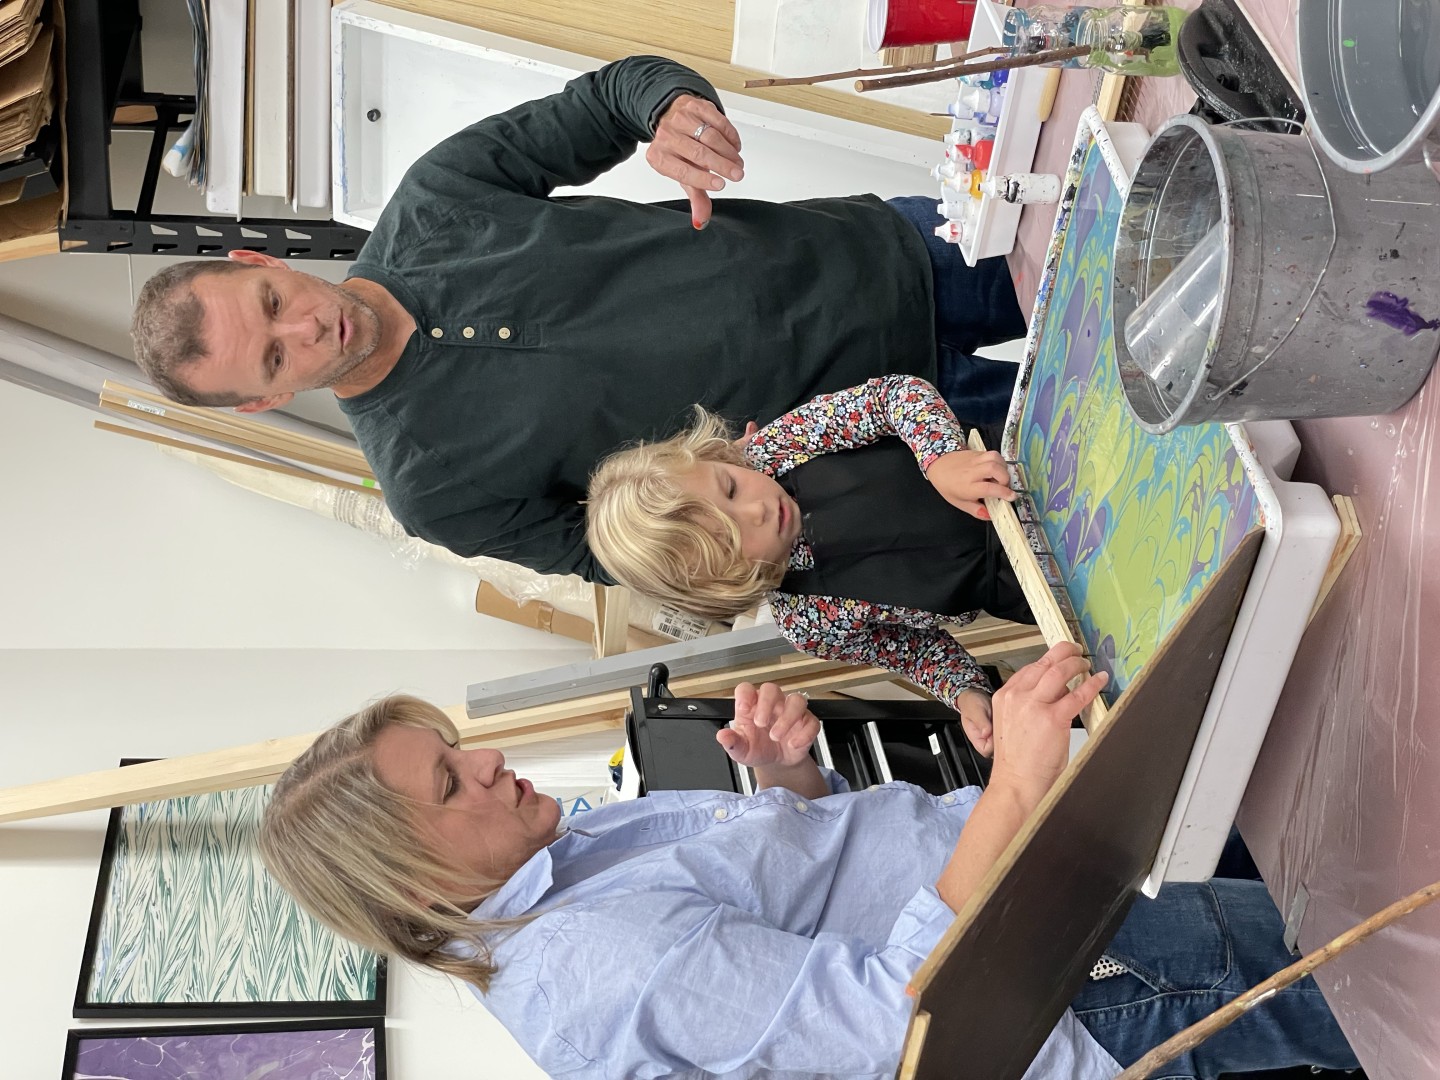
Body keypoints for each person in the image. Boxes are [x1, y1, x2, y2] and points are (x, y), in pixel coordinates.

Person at [258, 643, 1358, 1080]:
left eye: (455, 748)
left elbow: (803, 912)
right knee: (1388, 969)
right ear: (415, 882)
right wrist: (1018, 787)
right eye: (450, 783)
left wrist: (789, 784)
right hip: (1069, 985)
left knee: (1346, 888)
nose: (488, 760)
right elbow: (909, 1014)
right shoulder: (595, 970)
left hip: (1053, 891)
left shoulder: (559, 853)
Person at [127, 55, 1027, 582]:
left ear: (262, 263)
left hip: (893, 257)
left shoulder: (435, 199)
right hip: (900, 446)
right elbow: (631, 559)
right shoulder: (432, 492)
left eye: (274, 304)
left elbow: (605, 100)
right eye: (274, 361)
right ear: (262, 402)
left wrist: (668, 109)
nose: (305, 331)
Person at [586, 374, 1032, 755]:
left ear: (717, 458)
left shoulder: (781, 445)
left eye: (731, 487)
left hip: (1022, 467)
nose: (756, 510)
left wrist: (941, 458)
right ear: (724, 580)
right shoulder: (806, 622)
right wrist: (965, 691)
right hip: (1030, 585)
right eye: (731, 536)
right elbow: (916, 652)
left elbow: (893, 396)